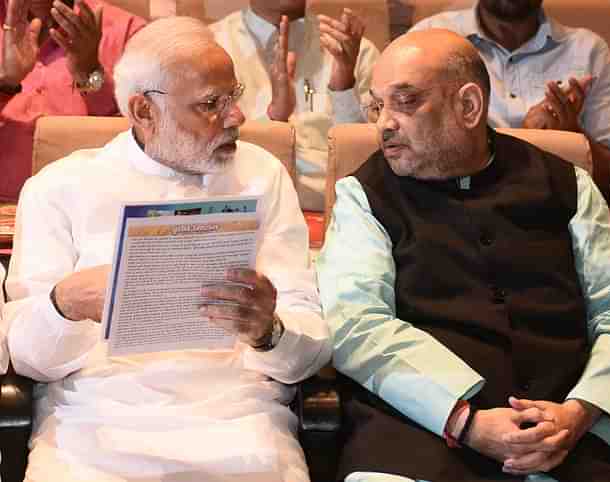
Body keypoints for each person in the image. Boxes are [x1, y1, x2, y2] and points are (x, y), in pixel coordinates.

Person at [3, 16, 330, 482]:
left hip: (238, 423)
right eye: (210, 104)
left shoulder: (263, 176)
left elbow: (310, 350)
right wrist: (66, 304)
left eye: (233, 96)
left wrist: (269, 331)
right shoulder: (60, 187)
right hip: (95, 428)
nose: (236, 117)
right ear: (143, 111)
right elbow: (28, 357)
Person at [316, 29, 610, 482]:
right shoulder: (364, 195)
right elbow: (356, 323)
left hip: (570, 436)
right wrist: (465, 421)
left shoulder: (566, 185)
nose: (384, 124)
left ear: (468, 106)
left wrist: (580, 412)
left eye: (405, 103)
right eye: (377, 105)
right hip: (421, 431)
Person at [411, 0, 610, 202]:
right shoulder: (427, 38)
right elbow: (402, 150)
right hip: (452, 205)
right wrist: (531, 143)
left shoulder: (588, 50)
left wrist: (572, 136)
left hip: (553, 214)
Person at [210, 0, 379, 211]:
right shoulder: (209, 49)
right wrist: (275, 117)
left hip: (344, 216)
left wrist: (344, 86)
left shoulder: (357, 51)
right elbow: (211, 161)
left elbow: (372, 163)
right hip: (245, 215)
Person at [0, 0, 145, 202]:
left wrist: (90, 73)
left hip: (92, 210)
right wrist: (5, 84)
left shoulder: (128, 32)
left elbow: (146, 137)